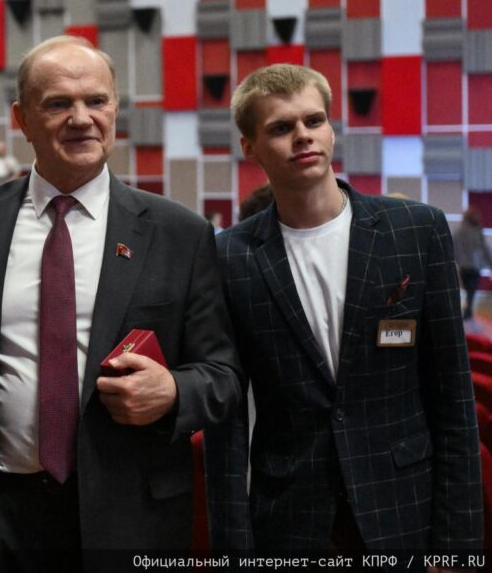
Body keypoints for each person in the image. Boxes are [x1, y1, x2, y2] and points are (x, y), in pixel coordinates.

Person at [0, 36, 242, 569]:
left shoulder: (178, 234)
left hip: (130, 517)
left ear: (115, 109)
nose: (81, 118)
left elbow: (223, 374)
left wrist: (173, 391)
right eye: (58, 104)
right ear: (21, 119)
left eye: (96, 101)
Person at [205, 64, 483, 556]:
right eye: (281, 127)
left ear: (331, 129)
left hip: (405, 508)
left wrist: (457, 545)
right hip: (290, 518)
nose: (303, 136)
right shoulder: (228, 257)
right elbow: (225, 425)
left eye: (314, 120)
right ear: (249, 147)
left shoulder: (415, 230)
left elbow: (453, 398)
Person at [454, 207, 492, 320]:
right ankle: (468, 310)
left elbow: (455, 248)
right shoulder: (477, 231)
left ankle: (468, 310)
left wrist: (459, 261)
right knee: (471, 289)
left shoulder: (460, 231)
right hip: (474, 266)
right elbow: (484, 249)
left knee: (468, 289)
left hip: (465, 266)